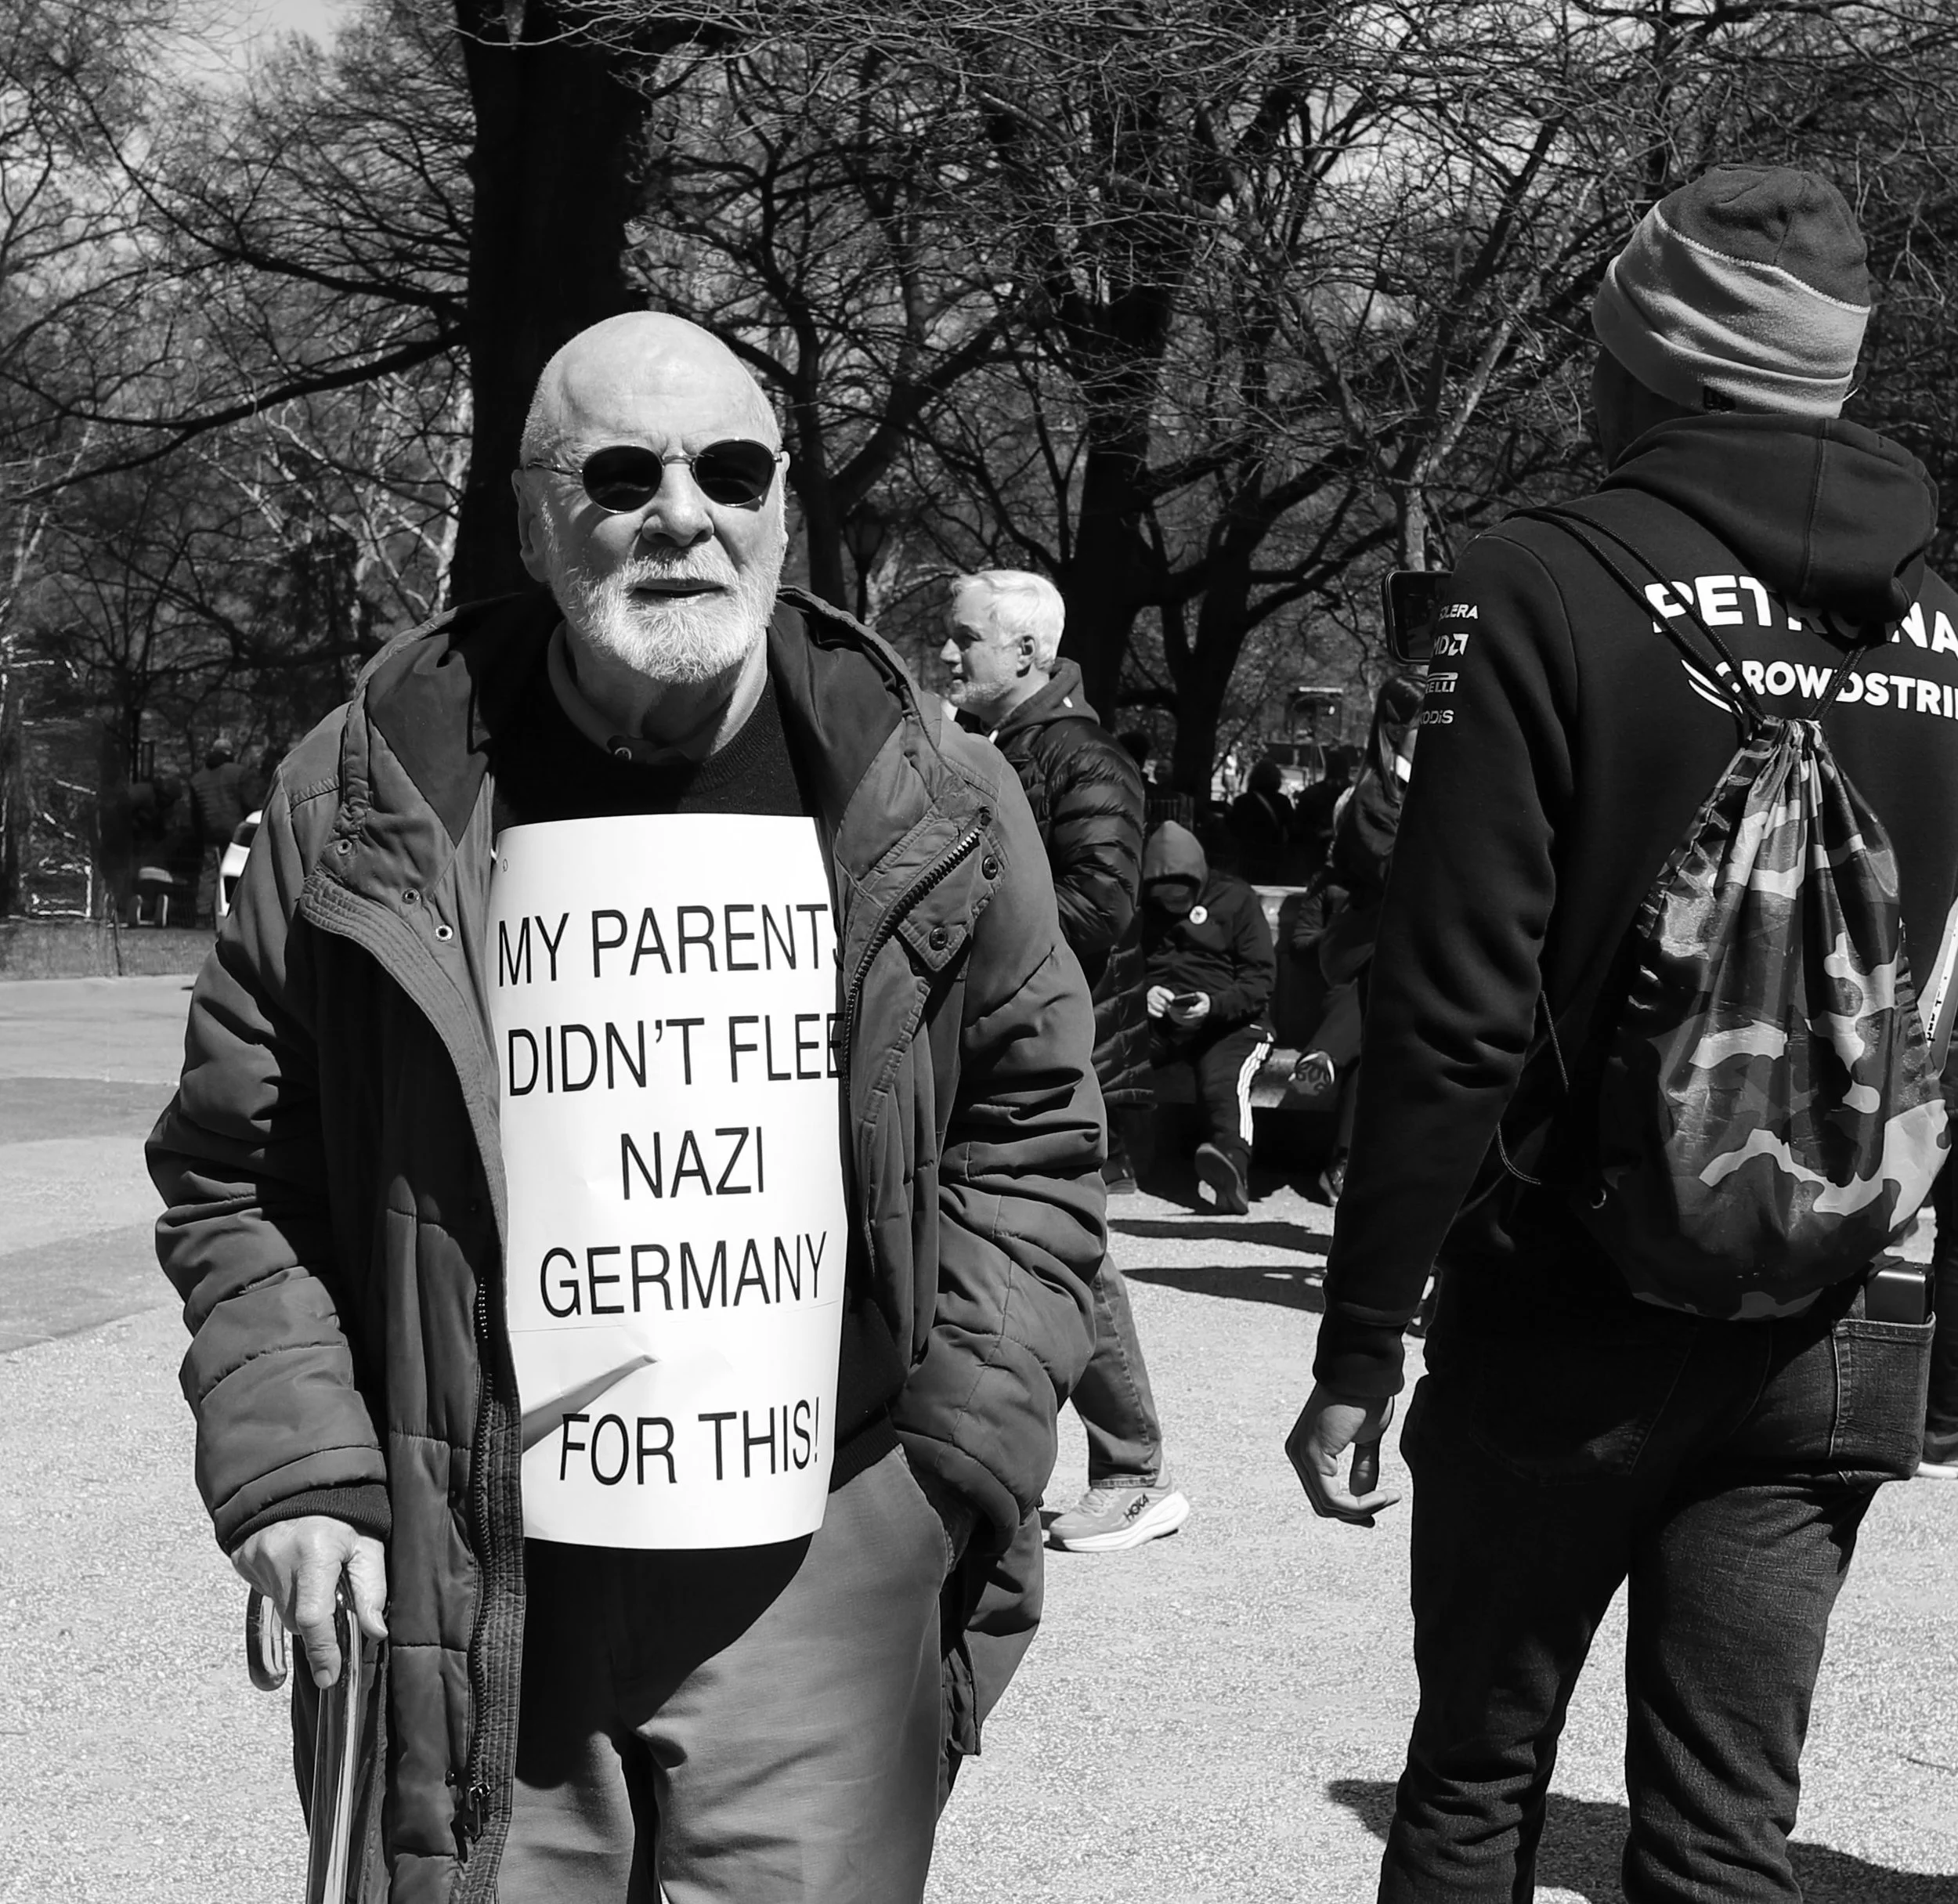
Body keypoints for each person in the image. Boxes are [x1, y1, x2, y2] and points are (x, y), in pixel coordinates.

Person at [148, 313, 1107, 1903]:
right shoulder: (369, 789)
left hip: (830, 1528)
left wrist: (957, 1456)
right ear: (533, 516)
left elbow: (1037, 1137)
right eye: (620, 472)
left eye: (730, 468)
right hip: (484, 1535)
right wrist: (307, 1470)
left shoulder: (929, 789)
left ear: (781, 504)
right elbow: (239, 1168)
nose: (682, 511)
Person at [1286, 166, 1958, 1902]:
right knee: (1725, 1832)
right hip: (1832, 1303)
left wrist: (1359, 1339)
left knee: (1472, 1786)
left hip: (1558, 1300)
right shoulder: (1942, 629)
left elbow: (1447, 1015)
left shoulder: (1531, 587)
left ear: (1647, 356)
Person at [939, 569, 1188, 1554]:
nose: (949, 654)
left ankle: (1134, 1473)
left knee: (1069, 1253)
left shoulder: (1080, 757)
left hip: (1055, 1050)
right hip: (1015, 1043)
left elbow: (1098, 907)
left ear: (1028, 655)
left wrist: (975, 969)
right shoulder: (1007, 750)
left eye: (967, 639)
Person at [1140, 819, 1275, 1217]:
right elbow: (1124, 966)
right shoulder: (1141, 909)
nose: (1175, 906)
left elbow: (1260, 980)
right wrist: (1144, 992)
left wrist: (1213, 1005)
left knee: (1224, 1079)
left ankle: (1231, 1163)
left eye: (1182, 897)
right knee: (1115, 1055)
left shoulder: (1236, 899)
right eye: (1166, 900)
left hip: (1229, 1021)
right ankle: (1110, 1157)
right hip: (1163, 1021)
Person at [188, 734, 251, 925]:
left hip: (211, 833)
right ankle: (240, 914)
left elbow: (196, 815)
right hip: (237, 831)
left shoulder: (197, 779)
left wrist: (200, 836)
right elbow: (249, 802)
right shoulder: (239, 772)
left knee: (209, 874)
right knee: (241, 871)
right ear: (230, 754)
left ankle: (202, 916)